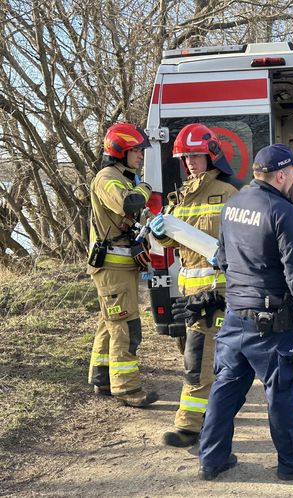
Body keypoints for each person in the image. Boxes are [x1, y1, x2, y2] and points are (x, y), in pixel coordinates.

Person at [198, 144, 293, 481]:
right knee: (281, 391)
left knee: (226, 388)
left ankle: (212, 459)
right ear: (281, 175)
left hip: (234, 316)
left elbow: (223, 258)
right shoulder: (282, 212)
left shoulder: (233, 205)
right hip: (270, 323)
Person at [148, 124, 239, 447]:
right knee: (196, 356)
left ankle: (189, 426)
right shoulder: (181, 197)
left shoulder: (228, 195)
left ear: (211, 156)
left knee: (198, 357)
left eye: (196, 157)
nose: (190, 164)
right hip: (191, 292)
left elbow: (244, 240)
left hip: (218, 292)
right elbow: (169, 243)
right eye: (185, 158)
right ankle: (214, 416)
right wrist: (159, 231)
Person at [87, 123, 158, 407]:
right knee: (125, 326)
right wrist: (146, 187)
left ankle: (102, 377)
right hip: (112, 267)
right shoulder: (108, 178)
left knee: (111, 321)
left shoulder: (122, 175)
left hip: (120, 266)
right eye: (136, 150)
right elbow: (129, 204)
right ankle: (127, 389)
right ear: (121, 151)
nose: (141, 155)